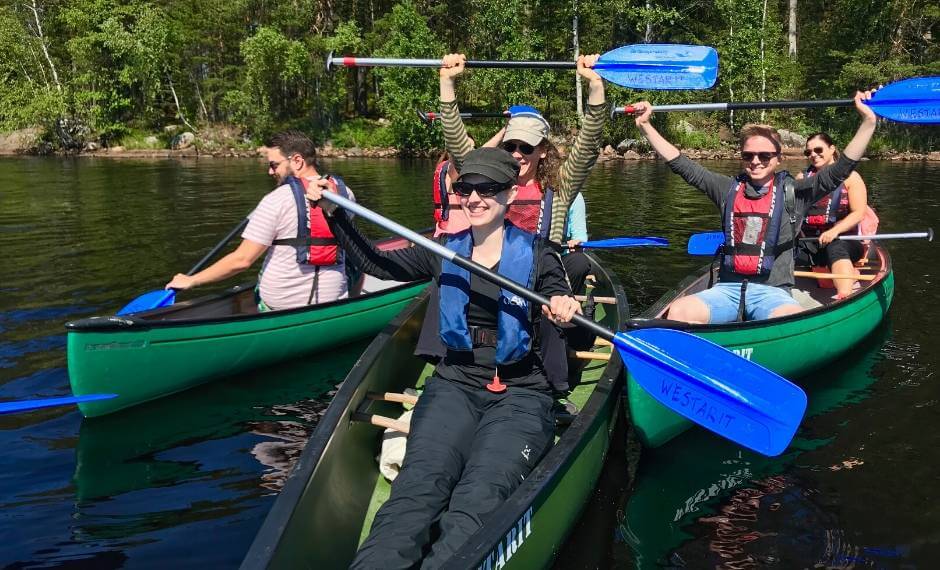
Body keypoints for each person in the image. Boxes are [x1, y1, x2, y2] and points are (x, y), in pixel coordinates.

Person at [306, 147, 581, 567]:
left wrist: (563, 305)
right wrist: (335, 213)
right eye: (466, 188)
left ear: (510, 194)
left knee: (479, 499)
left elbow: (559, 293)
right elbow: (374, 263)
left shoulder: (541, 255)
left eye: (488, 188)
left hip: (522, 391)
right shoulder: (442, 250)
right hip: (456, 383)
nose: (475, 198)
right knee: (416, 491)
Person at [631, 91, 878, 324]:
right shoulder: (726, 188)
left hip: (772, 292)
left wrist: (868, 122)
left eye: (764, 155)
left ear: (779, 158)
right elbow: (682, 165)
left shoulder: (796, 193)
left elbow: (841, 170)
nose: (756, 161)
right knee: (679, 311)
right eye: (748, 155)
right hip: (726, 290)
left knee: (788, 319)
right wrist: (645, 126)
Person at [165, 131, 355, 311]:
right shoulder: (345, 194)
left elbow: (241, 261)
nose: (270, 172)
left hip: (280, 309)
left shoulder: (276, 200)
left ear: (297, 161)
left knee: (251, 293)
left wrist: (191, 280)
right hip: (333, 300)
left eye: (274, 165)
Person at [797, 132, 872, 298]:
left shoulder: (851, 177)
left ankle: (844, 295)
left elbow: (858, 213)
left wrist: (834, 231)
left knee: (836, 248)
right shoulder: (802, 177)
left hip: (843, 240)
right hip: (809, 241)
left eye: (818, 150)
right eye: (808, 152)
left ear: (832, 149)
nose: (813, 155)